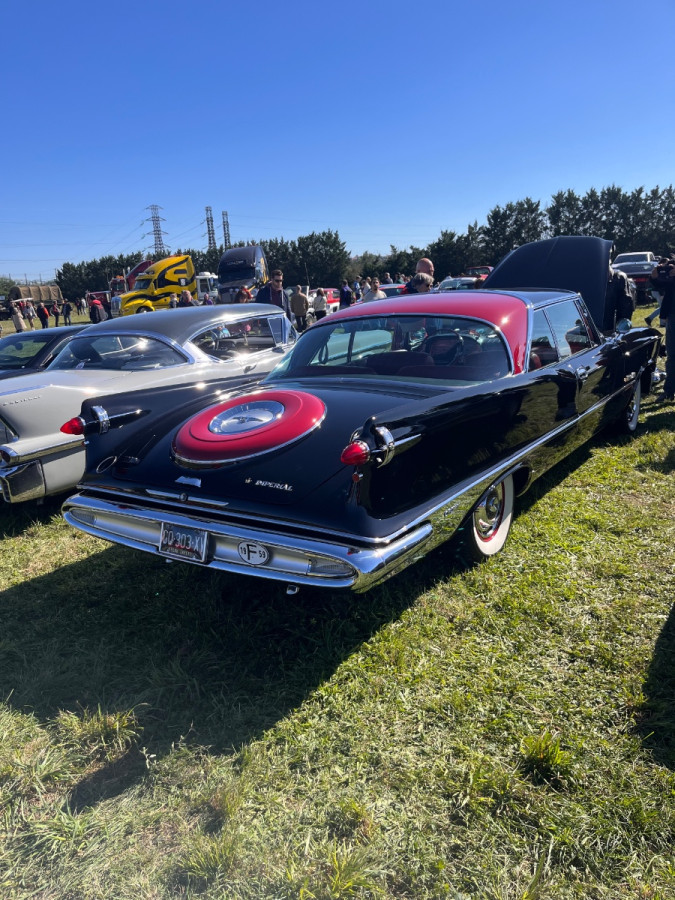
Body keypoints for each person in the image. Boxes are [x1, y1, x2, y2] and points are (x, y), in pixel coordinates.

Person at [649, 257, 675, 401]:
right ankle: (669, 390)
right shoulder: (671, 266)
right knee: (672, 354)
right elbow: (662, 283)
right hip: (673, 314)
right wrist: (654, 276)